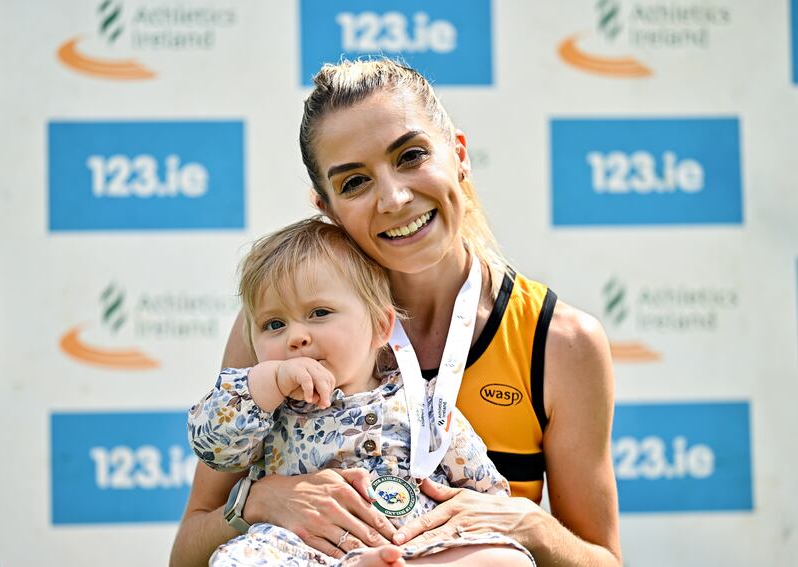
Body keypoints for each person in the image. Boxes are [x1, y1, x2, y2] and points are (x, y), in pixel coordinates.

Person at [171, 58, 621, 567]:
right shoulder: (282, 330)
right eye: (355, 183)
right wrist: (258, 502)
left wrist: (528, 525)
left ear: (459, 154)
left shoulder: (560, 340)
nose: (395, 197)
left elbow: (603, 560)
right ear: (327, 206)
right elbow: (186, 553)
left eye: (410, 156)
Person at [188, 217, 534, 566]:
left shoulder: (424, 401)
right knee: (237, 559)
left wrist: (481, 513)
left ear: (381, 326)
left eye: (319, 313)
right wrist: (267, 383)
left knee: (506, 559)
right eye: (273, 325)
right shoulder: (265, 409)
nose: (296, 337)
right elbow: (213, 447)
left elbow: (487, 492)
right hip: (301, 550)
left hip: (415, 544)